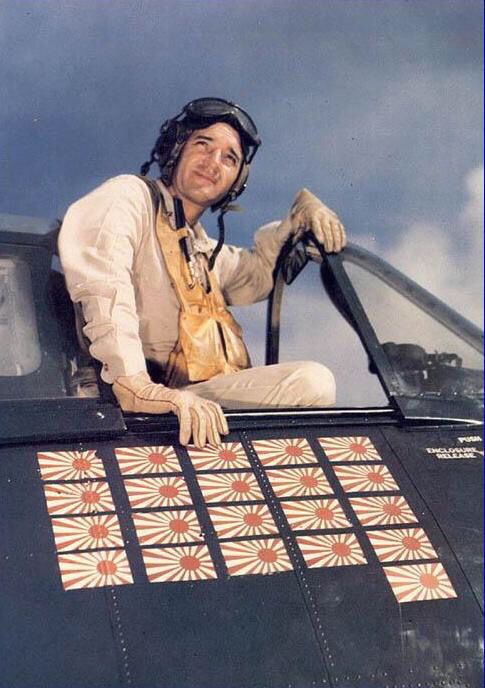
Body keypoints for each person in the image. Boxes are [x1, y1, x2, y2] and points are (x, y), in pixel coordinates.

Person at [59, 97, 346, 447]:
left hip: (188, 402)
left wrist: (299, 217)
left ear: (236, 181)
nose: (214, 163)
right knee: (312, 382)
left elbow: (256, 276)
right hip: (128, 403)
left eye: (230, 158)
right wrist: (133, 383)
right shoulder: (129, 197)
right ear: (176, 147)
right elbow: (103, 287)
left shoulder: (200, 249)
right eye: (203, 144)